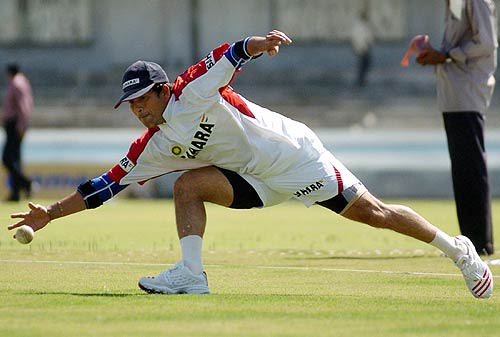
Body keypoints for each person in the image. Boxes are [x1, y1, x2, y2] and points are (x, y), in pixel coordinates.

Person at [8, 30, 493, 299]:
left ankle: (459, 250)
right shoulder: (149, 147)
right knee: (186, 186)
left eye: (140, 99)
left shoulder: (191, 89)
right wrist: (49, 213)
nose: (136, 109)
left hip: (296, 156)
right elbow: (104, 186)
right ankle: (191, 276)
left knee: (377, 215)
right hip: (253, 182)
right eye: (129, 104)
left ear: (161, 90)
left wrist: (258, 45)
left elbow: (226, 54)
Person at [416, 0, 497, 255]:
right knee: (463, 169)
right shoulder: (456, 2)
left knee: (471, 167)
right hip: (453, 93)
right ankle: (472, 239)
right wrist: (435, 52)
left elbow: (487, 42)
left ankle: (480, 241)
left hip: (468, 91)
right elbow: (458, 43)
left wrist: (447, 54)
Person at [2, 63, 34, 202]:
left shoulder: (16, 84)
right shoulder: (22, 82)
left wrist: (21, 125)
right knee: (15, 159)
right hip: (15, 124)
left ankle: (26, 183)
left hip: (15, 124)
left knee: (7, 159)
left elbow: (23, 106)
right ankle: (15, 193)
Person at [350, 9, 374, 87]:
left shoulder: (357, 26)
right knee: (365, 64)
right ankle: (361, 80)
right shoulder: (364, 26)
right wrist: (365, 46)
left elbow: (353, 38)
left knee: (363, 64)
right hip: (364, 48)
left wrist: (355, 47)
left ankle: (360, 80)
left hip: (359, 47)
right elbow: (368, 37)